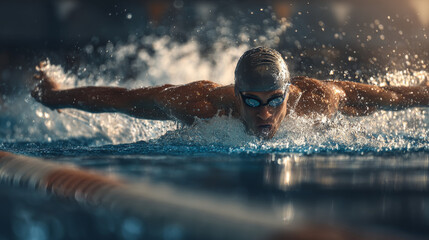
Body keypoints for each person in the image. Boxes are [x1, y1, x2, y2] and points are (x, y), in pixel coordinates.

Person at [32, 47, 429, 139]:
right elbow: (124, 100)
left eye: (275, 100)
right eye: (252, 102)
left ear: (288, 94)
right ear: (237, 95)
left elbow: (392, 97)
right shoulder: (200, 104)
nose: (265, 113)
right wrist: (55, 97)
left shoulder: (320, 99)